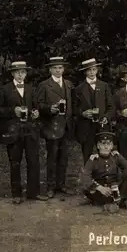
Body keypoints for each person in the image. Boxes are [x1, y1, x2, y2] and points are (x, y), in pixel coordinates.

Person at [0, 61, 48, 204]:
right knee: (15, 162)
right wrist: (13, 111)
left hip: (30, 131)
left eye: (23, 72)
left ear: (26, 73)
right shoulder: (4, 89)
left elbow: (36, 107)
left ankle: (33, 193)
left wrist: (36, 113)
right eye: (17, 72)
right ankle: (16, 193)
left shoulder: (31, 89)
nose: (20, 74)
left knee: (34, 161)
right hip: (12, 131)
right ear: (12, 73)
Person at [35, 56, 75, 198]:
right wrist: (48, 109)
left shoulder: (69, 84)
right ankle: (50, 186)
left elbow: (73, 103)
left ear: (63, 69)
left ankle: (61, 185)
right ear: (50, 69)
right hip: (52, 126)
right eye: (55, 68)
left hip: (66, 126)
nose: (58, 70)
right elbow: (38, 104)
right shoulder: (44, 85)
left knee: (64, 157)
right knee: (52, 157)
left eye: (60, 68)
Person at [81, 132, 127, 212]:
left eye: (109, 144)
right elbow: (85, 176)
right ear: (98, 146)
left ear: (112, 146)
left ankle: (116, 201)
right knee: (90, 190)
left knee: (126, 179)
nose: (106, 146)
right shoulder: (93, 159)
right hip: (100, 189)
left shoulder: (115, 156)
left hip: (114, 186)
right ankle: (120, 201)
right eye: (103, 144)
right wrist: (100, 188)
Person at [74, 58, 114, 164]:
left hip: (102, 126)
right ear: (85, 72)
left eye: (94, 69)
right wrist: (82, 113)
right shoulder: (79, 89)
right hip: (86, 128)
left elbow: (111, 106)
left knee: (105, 153)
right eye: (89, 70)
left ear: (97, 70)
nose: (92, 72)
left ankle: (104, 176)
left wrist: (106, 117)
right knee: (87, 155)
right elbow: (74, 108)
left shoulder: (104, 86)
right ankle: (88, 178)